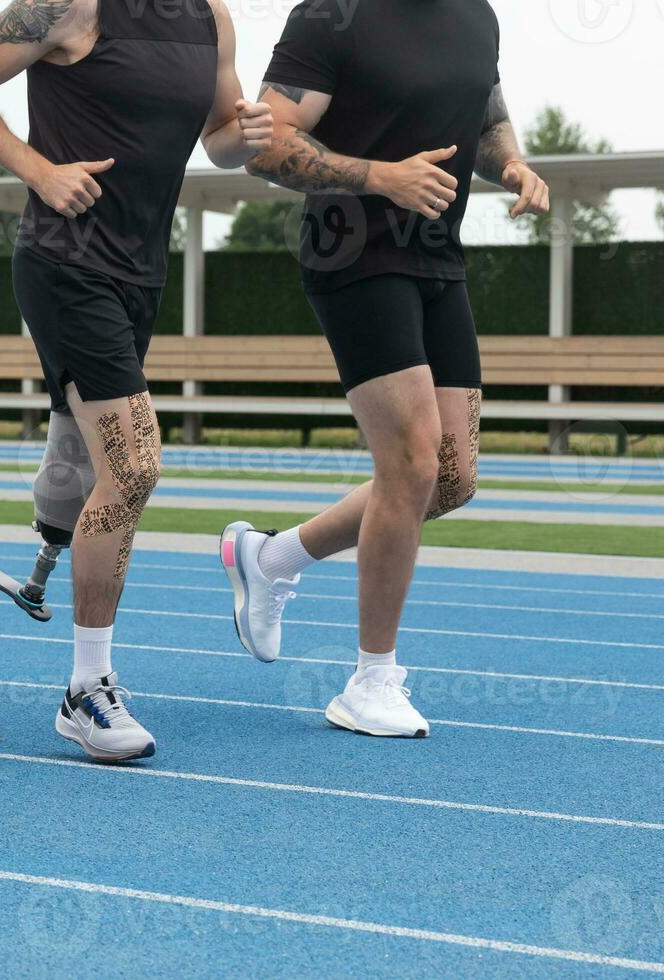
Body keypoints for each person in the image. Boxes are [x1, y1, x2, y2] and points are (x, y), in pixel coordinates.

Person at [0, 0, 272, 762]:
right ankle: (87, 690)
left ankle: (47, 551)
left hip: (140, 273)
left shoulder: (212, 18)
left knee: (84, 461)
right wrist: (39, 171)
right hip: (65, 263)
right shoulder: (67, 6)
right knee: (136, 465)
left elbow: (218, 141)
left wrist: (242, 141)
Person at [220, 0, 551, 738]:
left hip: (438, 257)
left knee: (452, 474)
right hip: (354, 253)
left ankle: (273, 556)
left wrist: (512, 163)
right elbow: (267, 144)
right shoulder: (332, 18)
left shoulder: (476, 16)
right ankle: (371, 680)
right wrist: (379, 177)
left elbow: (486, 110)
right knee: (408, 460)